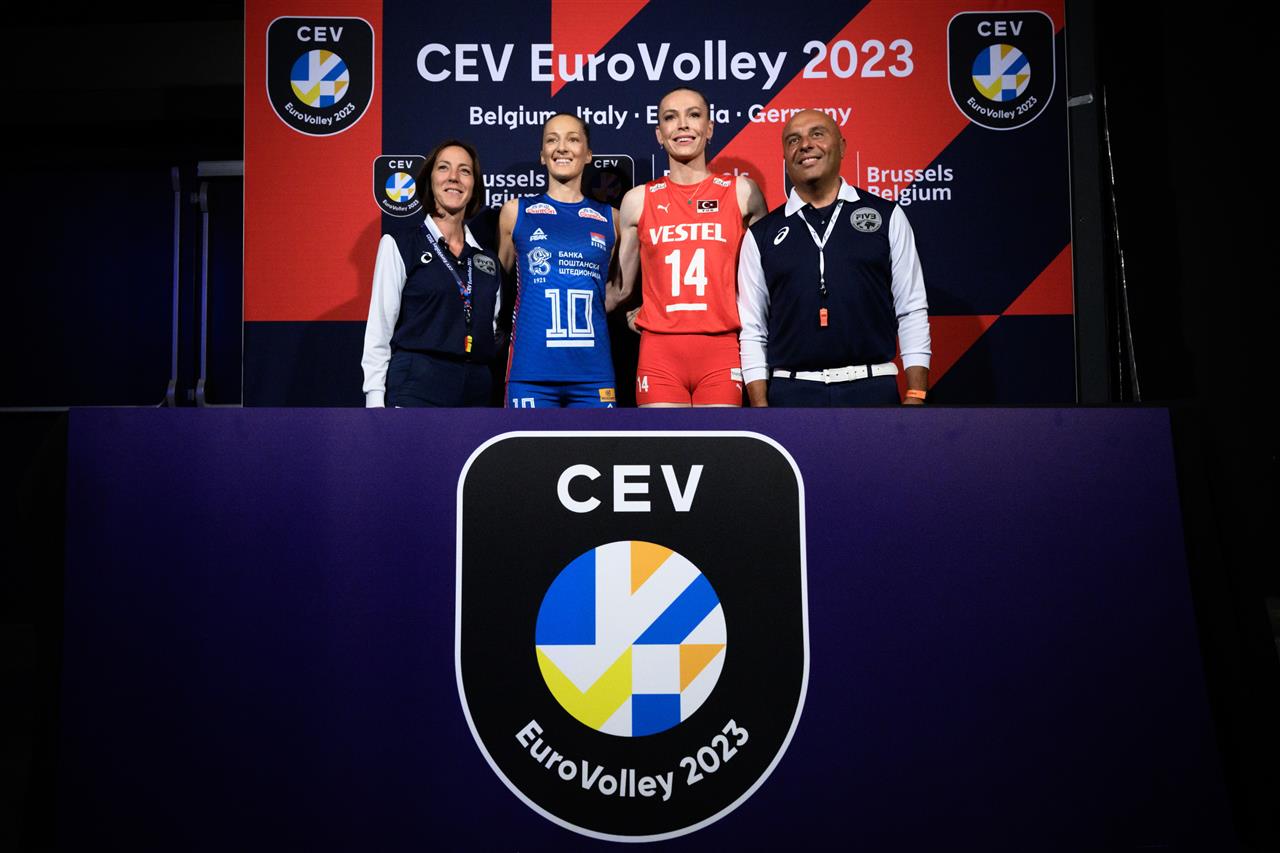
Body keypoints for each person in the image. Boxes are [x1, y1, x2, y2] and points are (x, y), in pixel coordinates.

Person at [737, 110, 931, 407]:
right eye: (793, 140)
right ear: (785, 157)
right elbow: (753, 328)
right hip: (791, 395)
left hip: (873, 390)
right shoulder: (761, 234)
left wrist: (916, 394)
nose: (805, 145)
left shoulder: (887, 216)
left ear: (841, 147)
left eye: (817, 134)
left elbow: (911, 308)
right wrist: (760, 407)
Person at [617, 87, 767, 407]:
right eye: (671, 117)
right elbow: (621, 289)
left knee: (720, 442)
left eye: (694, 115)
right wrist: (629, 313)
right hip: (658, 353)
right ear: (660, 134)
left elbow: (764, 282)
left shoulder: (742, 193)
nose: (683, 124)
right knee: (661, 441)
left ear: (709, 128)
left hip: (722, 348)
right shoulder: (638, 200)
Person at [362, 139, 502, 407]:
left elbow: (491, 328)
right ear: (430, 180)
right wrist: (375, 401)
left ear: (475, 186)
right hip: (418, 385)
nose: (454, 177)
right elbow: (380, 331)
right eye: (443, 168)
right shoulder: (400, 245)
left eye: (464, 170)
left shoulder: (487, 261)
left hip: (476, 390)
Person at [497, 113, 623, 408]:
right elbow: (498, 288)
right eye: (552, 140)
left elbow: (619, 289)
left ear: (588, 154)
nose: (562, 147)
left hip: (593, 374)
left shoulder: (612, 219)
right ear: (542, 155)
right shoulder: (516, 212)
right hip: (531, 372)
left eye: (573, 139)